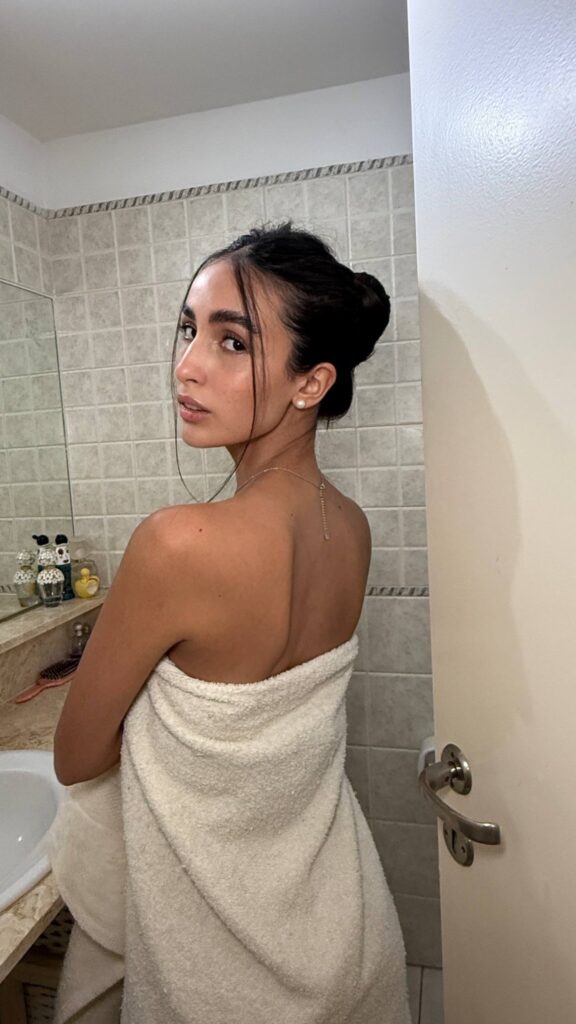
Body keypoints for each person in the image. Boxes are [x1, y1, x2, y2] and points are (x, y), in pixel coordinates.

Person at [53, 223, 411, 1024]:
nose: (187, 364)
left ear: (311, 382)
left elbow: (76, 757)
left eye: (233, 342)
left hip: (223, 974)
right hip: (341, 930)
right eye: (188, 329)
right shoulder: (351, 529)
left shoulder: (179, 544)